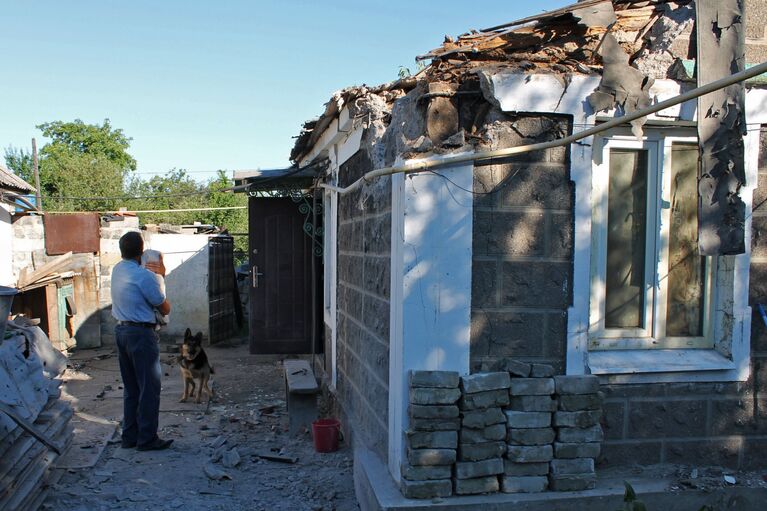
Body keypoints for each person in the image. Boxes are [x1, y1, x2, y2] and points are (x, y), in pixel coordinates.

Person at [111, 231, 173, 451]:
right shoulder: (143, 276)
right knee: (149, 387)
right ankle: (147, 439)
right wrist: (161, 276)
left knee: (131, 388)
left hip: (121, 332)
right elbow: (164, 307)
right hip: (141, 334)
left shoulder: (117, 270)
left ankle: (129, 436)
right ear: (141, 250)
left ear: (122, 251)